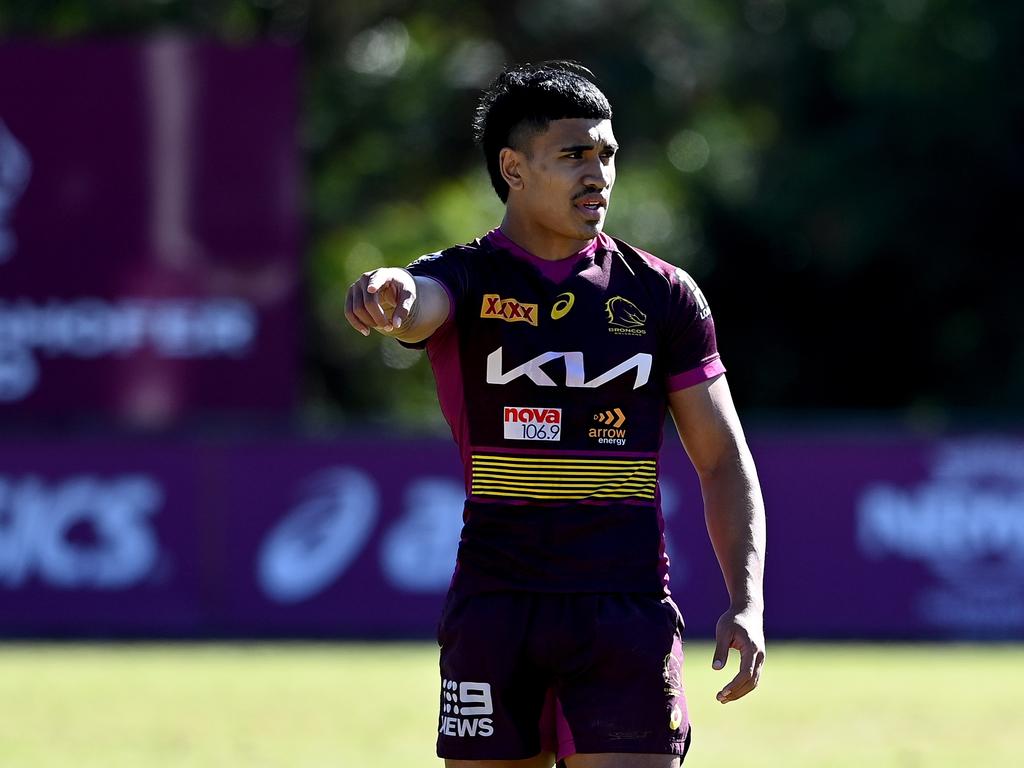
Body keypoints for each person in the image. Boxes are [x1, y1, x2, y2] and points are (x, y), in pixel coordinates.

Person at [345, 60, 766, 768]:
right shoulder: (468, 277)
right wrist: (392, 290)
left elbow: (723, 459)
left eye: (606, 156)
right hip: (496, 608)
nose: (597, 174)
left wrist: (745, 600)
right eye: (573, 156)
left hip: (624, 611)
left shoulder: (664, 295)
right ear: (513, 167)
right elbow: (420, 303)